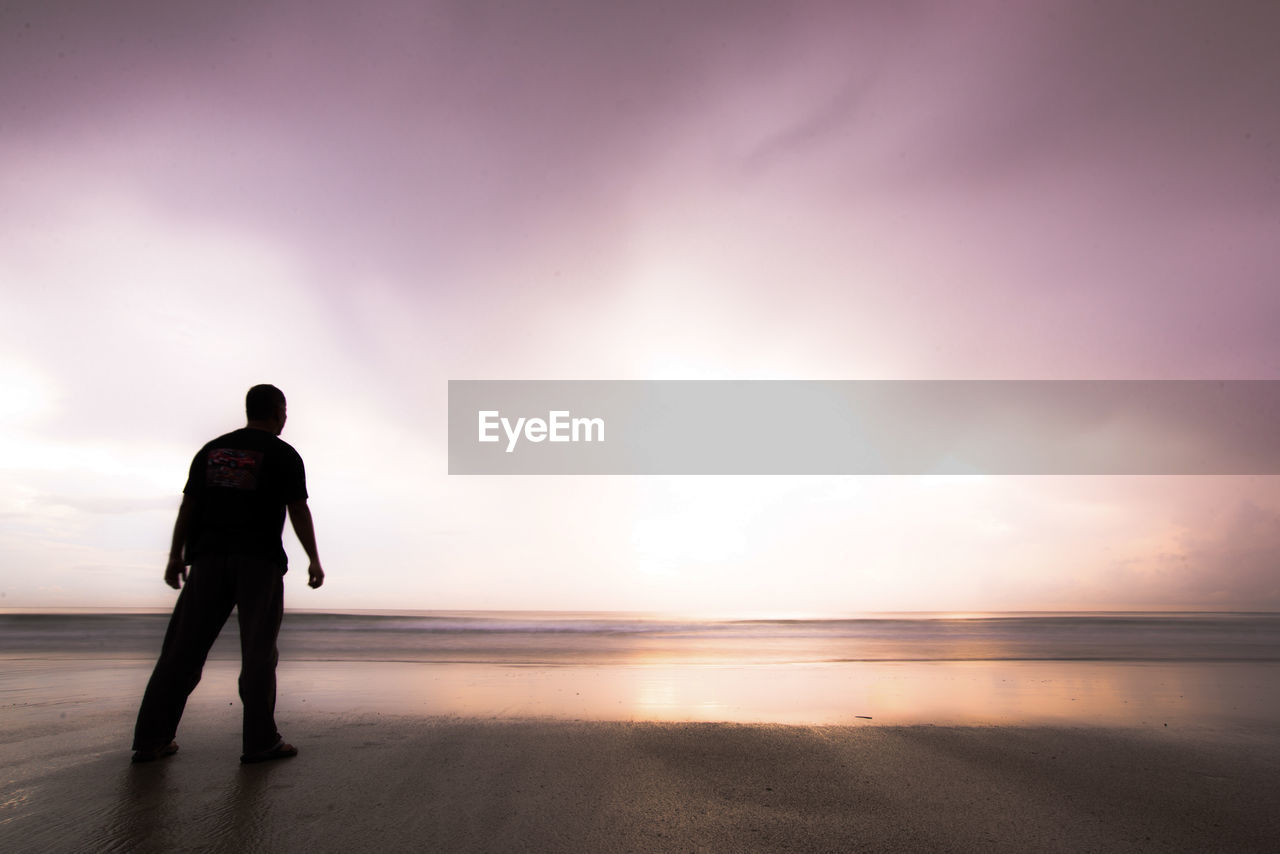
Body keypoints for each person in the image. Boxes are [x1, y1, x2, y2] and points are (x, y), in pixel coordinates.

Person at [131, 384, 324, 764]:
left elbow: (190, 506)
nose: (286, 418)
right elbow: (298, 510)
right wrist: (313, 559)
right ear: (277, 411)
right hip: (259, 563)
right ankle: (259, 742)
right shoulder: (283, 454)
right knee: (258, 654)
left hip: (207, 561)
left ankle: (152, 740)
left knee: (181, 653)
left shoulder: (212, 451)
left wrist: (176, 555)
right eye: (284, 412)